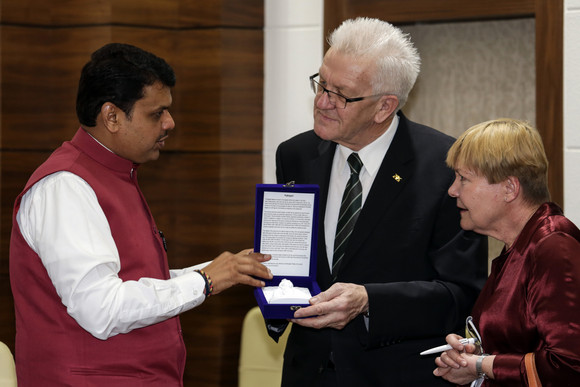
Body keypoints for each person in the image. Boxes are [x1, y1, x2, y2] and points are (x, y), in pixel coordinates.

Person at [9, 43, 273, 386]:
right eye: (156, 113)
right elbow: (101, 308)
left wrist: (217, 271)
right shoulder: (65, 187)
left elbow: (133, 281)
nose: (170, 123)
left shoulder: (114, 173)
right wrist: (204, 281)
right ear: (112, 116)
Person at [272, 17, 488, 386]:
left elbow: (461, 294)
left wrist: (369, 300)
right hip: (308, 372)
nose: (322, 102)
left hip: (397, 374)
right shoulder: (295, 155)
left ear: (384, 107)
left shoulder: (446, 166)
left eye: (340, 94)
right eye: (321, 83)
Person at [433, 118, 580, 386]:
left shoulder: (553, 245)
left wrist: (481, 364)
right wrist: (475, 355)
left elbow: (569, 365)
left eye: (463, 178)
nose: (452, 190)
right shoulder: (519, 246)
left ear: (509, 189)